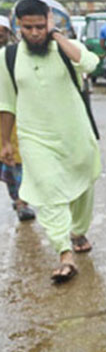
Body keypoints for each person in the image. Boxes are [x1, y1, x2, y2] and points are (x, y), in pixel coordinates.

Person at [0, 0, 101, 282]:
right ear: (18, 26)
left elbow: (90, 64)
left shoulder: (64, 49)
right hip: (35, 138)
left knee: (82, 189)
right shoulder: (8, 57)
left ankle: (78, 230)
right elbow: (6, 104)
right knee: (47, 191)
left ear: (49, 21)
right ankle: (64, 253)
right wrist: (5, 142)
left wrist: (56, 35)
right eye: (27, 28)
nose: (34, 33)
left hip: (75, 134)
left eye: (40, 26)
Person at [0, 16, 35, 222]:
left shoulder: (16, 55)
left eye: (2, 30)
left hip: (14, 113)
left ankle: (21, 201)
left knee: (16, 160)